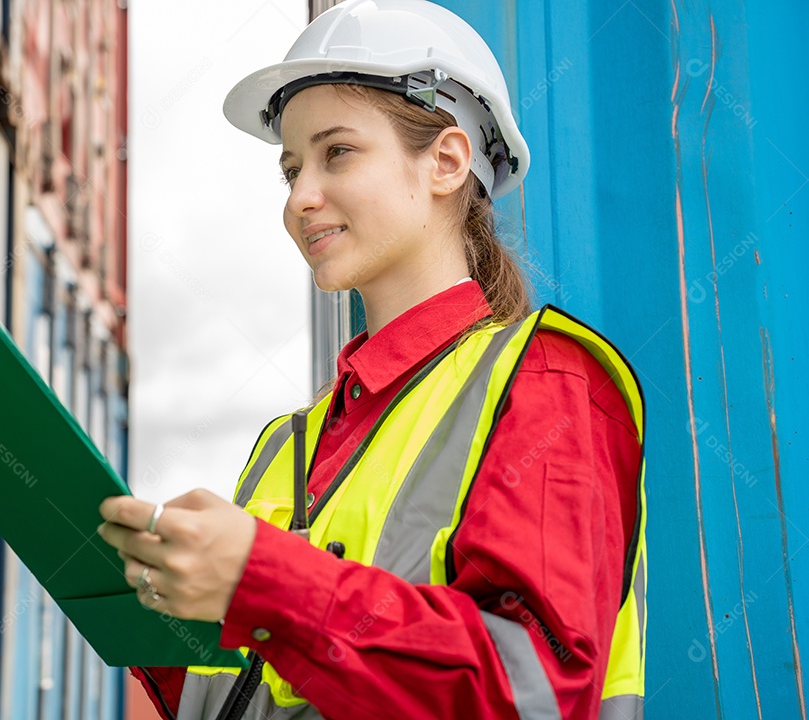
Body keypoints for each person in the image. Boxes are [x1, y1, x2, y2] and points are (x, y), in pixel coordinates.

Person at [97, 1, 647, 718]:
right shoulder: (287, 444)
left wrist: (263, 581)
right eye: (290, 168)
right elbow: (241, 683)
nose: (301, 197)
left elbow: (530, 692)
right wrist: (154, 631)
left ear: (446, 161)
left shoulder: (543, 379)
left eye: (338, 152)